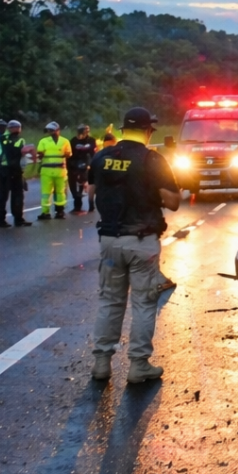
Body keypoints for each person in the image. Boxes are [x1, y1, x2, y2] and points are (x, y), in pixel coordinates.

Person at [88, 106, 180, 384]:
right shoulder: (152, 160)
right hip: (142, 243)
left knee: (110, 300)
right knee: (143, 302)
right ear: (148, 130)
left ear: (122, 130)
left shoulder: (102, 157)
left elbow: (91, 192)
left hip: (109, 242)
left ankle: (101, 363)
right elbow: (173, 202)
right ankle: (139, 365)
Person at [0, 120, 32, 228]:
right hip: (13, 171)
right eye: (18, 127)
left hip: (3, 170)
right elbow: (22, 155)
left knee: (3, 196)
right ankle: (18, 219)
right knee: (17, 195)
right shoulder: (20, 140)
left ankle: (1, 220)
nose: (19, 129)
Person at [36, 121, 73, 220]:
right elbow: (39, 153)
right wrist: (40, 155)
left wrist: (66, 154)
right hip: (47, 171)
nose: (51, 132)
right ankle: (45, 212)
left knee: (60, 192)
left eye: (52, 130)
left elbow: (69, 154)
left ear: (58, 130)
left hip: (60, 171)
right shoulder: (43, 141)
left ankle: (60, 211)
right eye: (49, 130)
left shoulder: (65, 141)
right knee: (46, 193)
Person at [68, 125, 98, 214]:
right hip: (75, 165)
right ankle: (77, 205)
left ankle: (90, 205)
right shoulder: (73, 141)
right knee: (75, 187)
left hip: (88, 164)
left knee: (88, 185)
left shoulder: (91, 140)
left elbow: (93, 153)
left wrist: (92, 164)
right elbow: (70, 154)